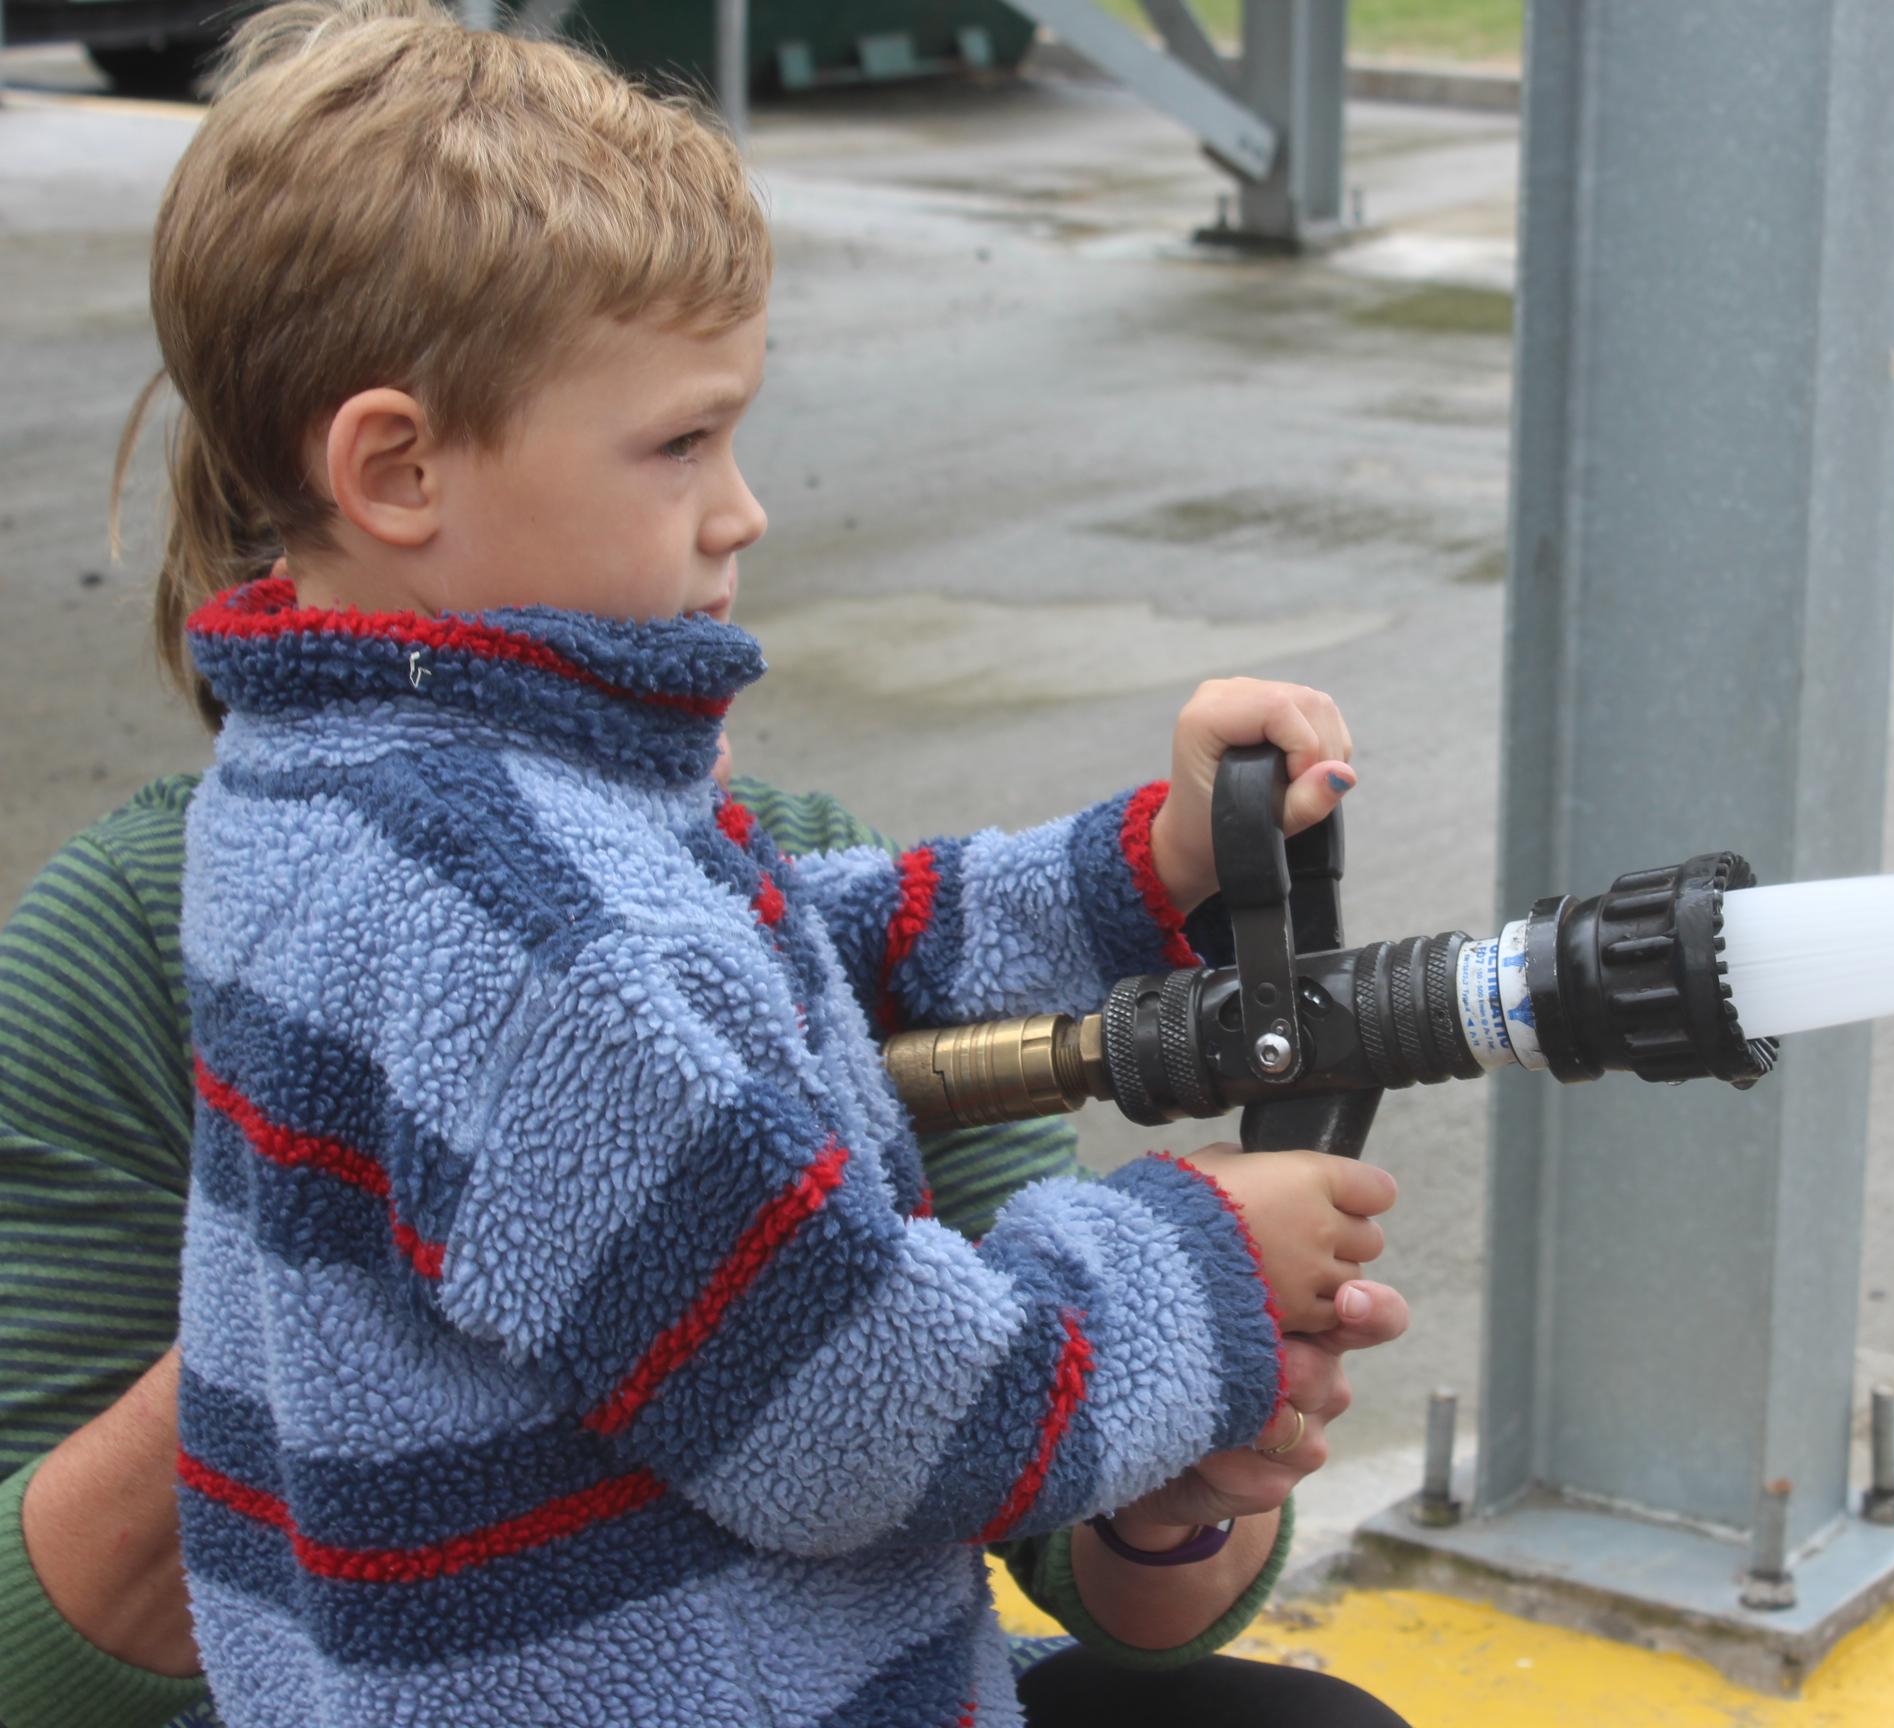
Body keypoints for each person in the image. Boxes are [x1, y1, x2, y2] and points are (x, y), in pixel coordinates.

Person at [0, 3, 1417, 1723]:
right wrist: (1196, 1260)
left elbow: (771, 945)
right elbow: (868, 1416)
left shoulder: (347, 792)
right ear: (398, 466)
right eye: (680, 444)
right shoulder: (514, 930)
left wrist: (1141, 871)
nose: (742, 509)